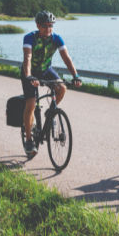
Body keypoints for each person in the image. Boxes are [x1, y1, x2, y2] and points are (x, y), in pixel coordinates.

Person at [22, 11, 82, 158]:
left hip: (46, 70)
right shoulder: (30, 38)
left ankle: (50, 112)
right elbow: (28, 58)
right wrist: (29, 76)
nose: (48, 29)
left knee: (62, 88)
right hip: (29, 71)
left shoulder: (56, 39)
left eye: (50, 26)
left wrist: (75, 75)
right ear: (38, 25)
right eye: (45, 26)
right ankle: (29, 139)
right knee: (31, 104)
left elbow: (66, 58)